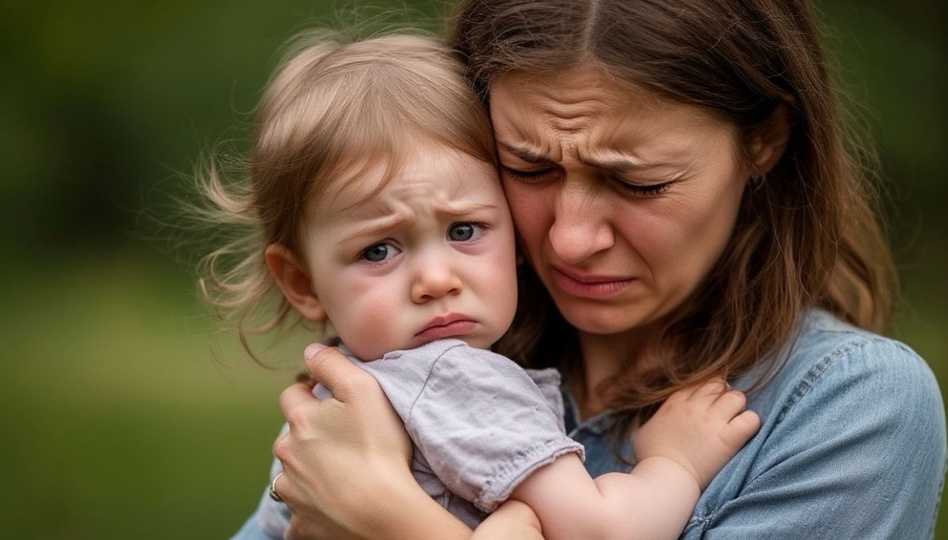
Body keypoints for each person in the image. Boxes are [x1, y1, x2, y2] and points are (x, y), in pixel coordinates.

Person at [260, 0, 948, 539]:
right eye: (528, 167)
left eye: (638, 183)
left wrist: (398, 525)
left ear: (765, 140)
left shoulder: (845, 405)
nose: (570, 238)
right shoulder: (444, 362)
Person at [202, 28, 760, 540]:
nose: (436, 280)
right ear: (301, 282)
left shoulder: (329, 416)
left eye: (464, 230)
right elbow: (602, 532)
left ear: (514, 231)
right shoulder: (458, 379)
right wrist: (675, 464)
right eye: (378, 250)